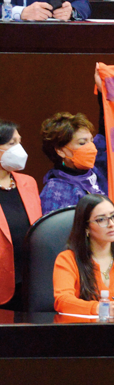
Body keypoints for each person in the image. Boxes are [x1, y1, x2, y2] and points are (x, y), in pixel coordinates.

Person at [53, 194, 114, 316]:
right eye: (101, 219)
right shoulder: (67, 259)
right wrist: (101, 308)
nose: (111, 224)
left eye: (113, 216)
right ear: (86, 227)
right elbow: (62, 301)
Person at [0, 120, 43, 310]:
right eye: (11, 143)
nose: (19, 149)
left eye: (20, 142)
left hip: (29, 282)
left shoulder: (28, 183)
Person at [39, 112, 107, 214]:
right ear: (60, 151)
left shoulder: (97, 171)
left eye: (91, 141)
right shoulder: (54, 191)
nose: (91, 148)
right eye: (82, 143)